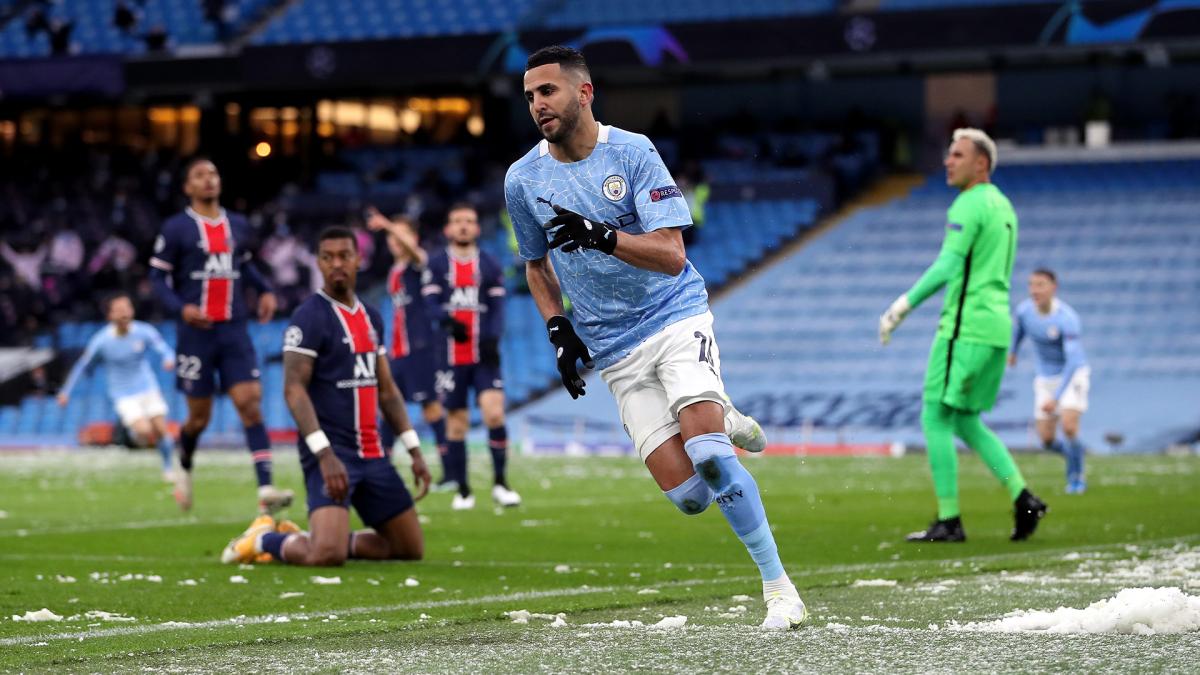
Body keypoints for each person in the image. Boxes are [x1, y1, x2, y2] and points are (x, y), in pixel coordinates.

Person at [504, 46, 798, 630]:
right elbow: (536, 266)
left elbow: (670, 255)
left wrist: (601, 235)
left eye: (548, 91)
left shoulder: (634, 152)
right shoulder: (522, 179)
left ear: (584, 92)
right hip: (613, 351)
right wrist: (558, 329)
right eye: (531, 95)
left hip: (673, 319)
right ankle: (723, 413)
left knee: (712, 460)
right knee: (690, 497)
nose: (538, 104)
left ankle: (779, 588)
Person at [221, 227, 431, 566]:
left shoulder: (372, 316)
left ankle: (311, 537)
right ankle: (264, 539)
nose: (337, 264)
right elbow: (293, 389)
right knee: (326, 556)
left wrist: (414, 449)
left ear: (358, 260)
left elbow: (388, 391)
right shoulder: (309, 317)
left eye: (344, 256)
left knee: (408, 549)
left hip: (373, 453)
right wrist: (324, 454)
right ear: (318, 262)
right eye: (328, 257)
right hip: (332, 454)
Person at [878, 128, 1048, 543]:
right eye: (948, 154)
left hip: (964, 327)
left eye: (958, 155)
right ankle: (1022, 495)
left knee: (935, 415)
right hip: (995, 327)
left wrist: (903, 305)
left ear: (981, 163)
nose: (948, 161)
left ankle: (949, 520)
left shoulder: (969, 202)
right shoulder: (1003, 204)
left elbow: (948, 265)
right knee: (966, 419)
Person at [148, 158, 291, 514]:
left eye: (213, 173)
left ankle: (266, 488)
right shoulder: (177, 228)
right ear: (188, 187)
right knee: (199, 418)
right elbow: (156, 279)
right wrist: (181, 308)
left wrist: (265, 290)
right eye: (199, 175)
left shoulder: (238, 225)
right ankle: (184, 461)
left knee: (250, 403)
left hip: (234, 329)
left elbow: (244, 265)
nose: (209, 180)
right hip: (196, 334)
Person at [421, 203, 521, 509]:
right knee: (457, 422)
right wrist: (447, 320)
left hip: (484, 355)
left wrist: (491, 338)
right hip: (449, 356)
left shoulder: (489, 264)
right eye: (457, 221)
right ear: (448, 229)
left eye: (469, 221)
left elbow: (498, 308)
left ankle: (501, 484)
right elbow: (430, 303)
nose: (463, 226)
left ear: (477, 228)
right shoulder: (437, 265)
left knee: (494, 413)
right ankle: (463, 490)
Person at [365, 208, 450, 481]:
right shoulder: (395, 269)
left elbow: (415, 252)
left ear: (412, 237)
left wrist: (388, 224)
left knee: (431, 406)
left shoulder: (418, 264)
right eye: (392, 235)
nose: (394, 240)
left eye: (401, 234)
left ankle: (449, 470)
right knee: (388, 406)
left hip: (420, 347)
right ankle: (382, 468)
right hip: (398, 350)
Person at [57, 292, 177, 483]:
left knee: (162, 429)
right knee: (145, 431)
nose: (125, 313)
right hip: (123, 394)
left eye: (127, 308)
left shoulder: (143, 331)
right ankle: (134, 435)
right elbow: (82, 366)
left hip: (147, 387)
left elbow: (164, 348)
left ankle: (168, 468)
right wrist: (66, 391)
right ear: (110, 315)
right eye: (119, 310)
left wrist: (169, 359)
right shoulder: (102, 340)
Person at [1010, 269, 1089, 493]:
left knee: (1069, 427)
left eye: (1041, 285)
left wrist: (1056, 398)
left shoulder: (1067, 318)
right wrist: (1013, 352)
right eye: (1031, 285)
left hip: (1071, 375)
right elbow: (1019, 331)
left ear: (1053, 287)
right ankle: (1074, 453)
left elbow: (1073, 362)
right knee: (1046, 439)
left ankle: (1076, 477)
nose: (1035, 290)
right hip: (1045, 378)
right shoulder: (1025, 311)